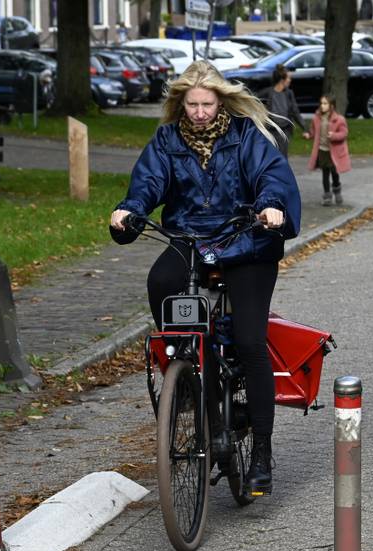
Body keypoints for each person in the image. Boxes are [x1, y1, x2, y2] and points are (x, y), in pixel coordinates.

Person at [109, 61, 301, 496]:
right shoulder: (166, 140)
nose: (199, 112)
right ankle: (186, 365)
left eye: (206, 104)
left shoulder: (246, 135)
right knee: (161, 282)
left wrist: (271, 205)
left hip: (246, 238)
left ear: (220, 102)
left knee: (251, 341)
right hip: (190, 238)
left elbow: (271, 175)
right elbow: (148, 184)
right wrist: (131, 210)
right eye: (192, 104)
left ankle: (262, 455)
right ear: (182, 103)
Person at [305, 95, 351, 206]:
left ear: (331, 106)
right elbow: (313, 132)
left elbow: (344, 133)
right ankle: (327, 195)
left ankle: (337, 190)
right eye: (321, 103)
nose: (322, 106)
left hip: (334, 152)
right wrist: (308, 135)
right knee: (325, 173)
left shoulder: (339, 119)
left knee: (334, 172)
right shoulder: (317, 118)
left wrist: (334, 135)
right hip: (322, 150)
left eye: (325, 103)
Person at [258, 65, 307, 157]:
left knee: (282, 158)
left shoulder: (288, 93)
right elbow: (253, 101)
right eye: (288, 78)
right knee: (271, 158)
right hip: (271, 131)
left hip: (284, 132)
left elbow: (295, 111)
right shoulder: (267, 93)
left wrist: (304, 127)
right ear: (282, 80)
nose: (290, 80)